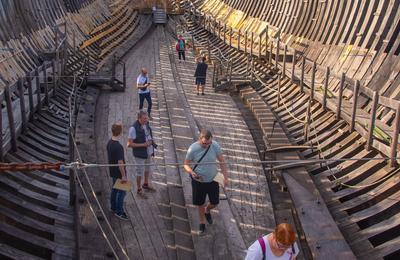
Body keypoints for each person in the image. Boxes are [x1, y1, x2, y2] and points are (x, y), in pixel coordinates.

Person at [183, 129, 228, 234]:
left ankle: (207, 210)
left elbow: (222, 161)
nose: (207, 145)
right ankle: (202, 222)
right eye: (204, 143)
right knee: (200, 203)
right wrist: (191, 172)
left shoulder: (215, 145)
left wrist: (225, 177)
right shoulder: (193, 148)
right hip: (199, 180)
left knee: (215, 202)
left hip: (212, 179)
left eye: (209, 143)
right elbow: (185, 164)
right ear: (200, 139)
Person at [127, 111, 157, 198]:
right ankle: (139, 189)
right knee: (139, 171)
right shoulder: (133, 129)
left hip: (148, 151)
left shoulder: (146, 124)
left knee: (147, 168)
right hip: (140, 153)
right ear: (139, 118)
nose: (146, 120)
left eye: (147, 118)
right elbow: (129, 144)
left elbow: (148, 134)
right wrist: (143, 145)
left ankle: (146, 184)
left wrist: (151, 142)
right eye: (144, 118)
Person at [107, 123, 129, 220]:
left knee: (114, 190)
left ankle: (113, 207)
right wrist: (124, 176)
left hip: (113, 171)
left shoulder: (109, 143)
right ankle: (119, 211)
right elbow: (120, 163)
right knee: (122, 192)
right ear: (120, 132)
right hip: (119, 173)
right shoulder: (119, 147)